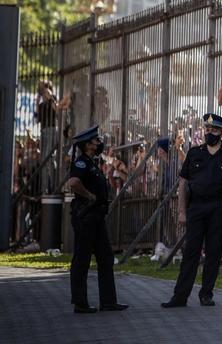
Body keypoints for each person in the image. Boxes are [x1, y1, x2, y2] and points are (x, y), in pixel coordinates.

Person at [162, 113, 222, 308]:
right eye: (207, 129)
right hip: (196, 208)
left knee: (214, 254)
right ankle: (180, 296)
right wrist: (182, 211)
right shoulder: (194, 153)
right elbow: (183, 182)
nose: (209, 133)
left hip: (219, 209)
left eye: (214, 130)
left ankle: (206, 294)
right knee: (191, 252)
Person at [66, 125, 128, 314]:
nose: (99, 143)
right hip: (86, 215)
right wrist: (89, 196)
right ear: (87, 145)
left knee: (105, 257)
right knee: (82, 258)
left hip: (97, 217)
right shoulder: (82, 163)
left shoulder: (92, 162)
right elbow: (73, 183)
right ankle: (80, 302)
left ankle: (108, 301)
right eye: (95, 141)